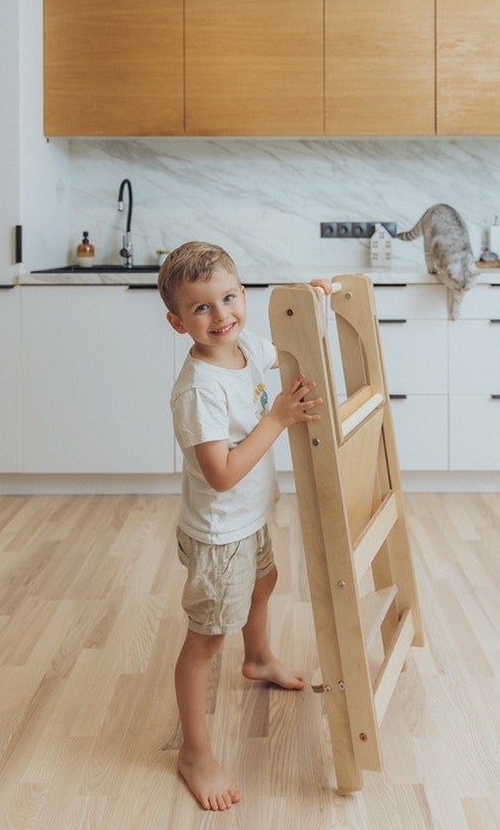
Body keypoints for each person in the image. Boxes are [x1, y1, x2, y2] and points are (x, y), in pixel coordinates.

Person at [157, 241, 331, 812]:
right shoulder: (199, 390)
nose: (220, 315)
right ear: (177, 321)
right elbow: (223, 473)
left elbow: (291, 347)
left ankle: (257, 658)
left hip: (250, 519)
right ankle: (195, 753)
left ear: (243, 295)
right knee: (207, 638)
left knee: (266, 580)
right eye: (201, 308)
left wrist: (316, 305)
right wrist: (278, 417)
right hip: (218, 531)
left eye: (228, 298)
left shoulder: (247, 347)